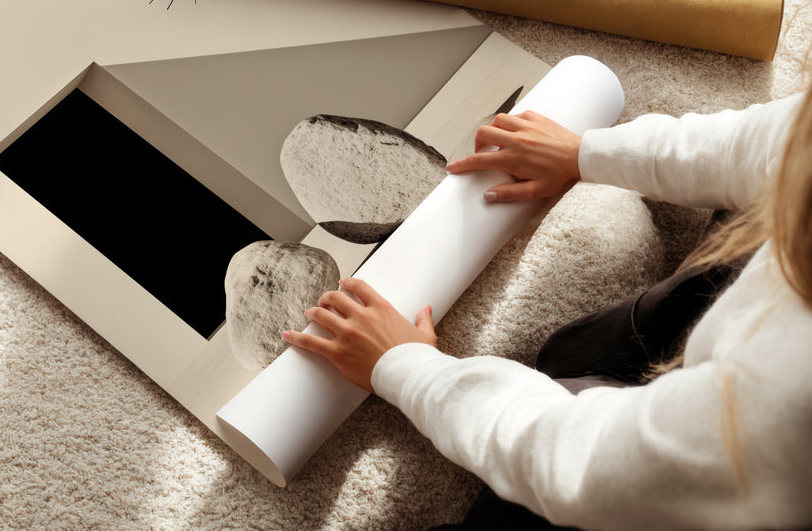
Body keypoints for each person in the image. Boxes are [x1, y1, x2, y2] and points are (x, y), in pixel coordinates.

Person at [282, 86, 812, 530]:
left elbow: (584, 463)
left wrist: (406, 368)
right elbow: (771, 141)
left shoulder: (785, 405)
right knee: (575, 353)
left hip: (723, 481)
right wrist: (584, 153)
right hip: (740, 349)